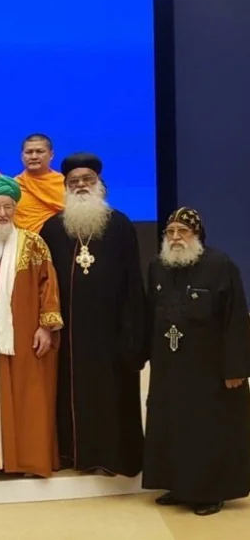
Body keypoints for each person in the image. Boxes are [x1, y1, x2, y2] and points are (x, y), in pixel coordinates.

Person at [39, 154, 144, 477]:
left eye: (87, 181)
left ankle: (114, 456)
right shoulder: (54, 228)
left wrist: (133, 335)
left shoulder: (121, 224)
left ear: (99, 185)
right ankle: (74, 454)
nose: (81, 186)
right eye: (74, 182)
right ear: (66, 188)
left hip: (112, 332)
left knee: (113, 394)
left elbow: (133, 283)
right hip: (69, 333)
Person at [142, 207, 250, 516]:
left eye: (183, 232)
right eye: (170, 232)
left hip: (210, 370)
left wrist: (236, 368)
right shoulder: (158, 267)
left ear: (197, 235)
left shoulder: (220, 266)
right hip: (170, 367)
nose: (175, 238)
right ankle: (178, 484)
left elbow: (236, 320)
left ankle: (210, 493)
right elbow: (152, 314)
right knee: (173, 427)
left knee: (207, 431)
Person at [0, 175, 62, 477]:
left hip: (26, 334)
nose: (2, 214)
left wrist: (46, 326)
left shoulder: (34, 243)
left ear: (16, 209)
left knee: (29, 395)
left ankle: (28, 459)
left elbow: (48, 285)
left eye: (7, 207)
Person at [13, 134, 64, 233]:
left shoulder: (64, 183)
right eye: (29, 152)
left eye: (40, 152)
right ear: (22, 156)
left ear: (51, 155)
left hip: (60, 243)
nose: (34, 156)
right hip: (26, 244)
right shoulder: (14, 186)